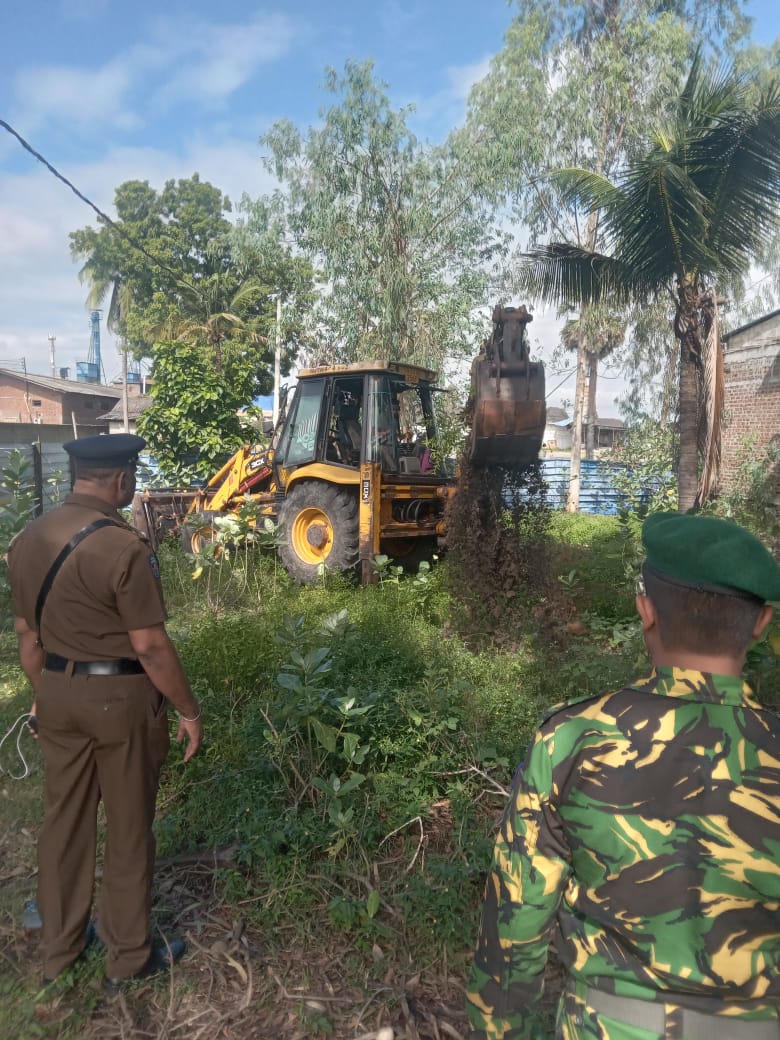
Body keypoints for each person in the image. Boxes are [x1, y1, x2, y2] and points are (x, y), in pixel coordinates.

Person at [466, 512, 780, 1040]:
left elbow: (517, 918)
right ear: (761, 622)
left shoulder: (572, 741)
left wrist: (499, 1029)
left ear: (646, 611)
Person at [7, 433, 203, 994]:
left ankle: (59, 952)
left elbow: (27, 636)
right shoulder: (124, 548)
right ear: (120, 479)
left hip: (57, 694)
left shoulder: (28, 540)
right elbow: (150, 647)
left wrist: (45, 691)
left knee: (63, 824)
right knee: (128, 827)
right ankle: (128, 957)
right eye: (133, 476)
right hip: (121, 702)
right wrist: (188, 710)